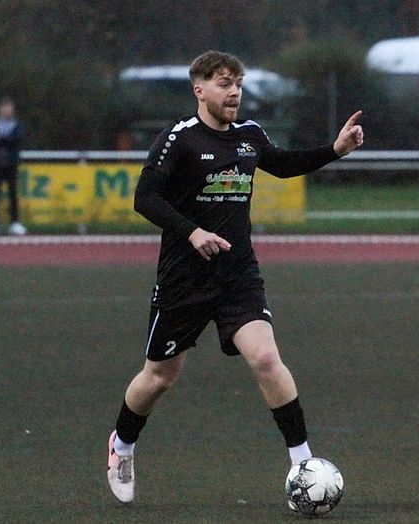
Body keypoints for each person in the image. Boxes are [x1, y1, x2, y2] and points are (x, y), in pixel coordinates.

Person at [106, 50, 364, 505]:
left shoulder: (249, 135)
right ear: (199, 89)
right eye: (224, 84)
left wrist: (334, 150)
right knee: (160, 376)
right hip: (184, 280)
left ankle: (302, 465)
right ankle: (122, 445)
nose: (234, 93)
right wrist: (192, 232)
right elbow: (145, 198)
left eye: (239, 84)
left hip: (238, 275)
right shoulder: (179, 138)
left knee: (265, 358)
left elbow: (282, 164)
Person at [0, 98, 27, 235]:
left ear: (12, 110)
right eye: (4, 108)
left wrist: (1, 139)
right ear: (0, 110)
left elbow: (17, 139)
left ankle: (15, 222)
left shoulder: (17, 125)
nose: (6, 111)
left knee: (13, 193)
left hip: (12, 164)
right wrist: (3, 140)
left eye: (8, 108)